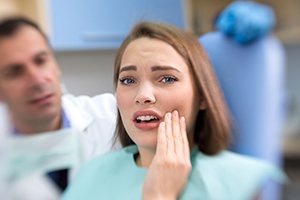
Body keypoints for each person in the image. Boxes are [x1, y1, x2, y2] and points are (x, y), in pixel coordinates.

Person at [61, 22, 287, 200]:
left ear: (202, 97)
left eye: (167, 78)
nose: (143, 95)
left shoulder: (239, 183)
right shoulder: (92, 175)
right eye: (128, 80)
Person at [0, 17, 187, 200]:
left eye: (41, 61)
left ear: (56, 64)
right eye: (15, 72)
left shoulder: (118, 115)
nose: (38, 80)